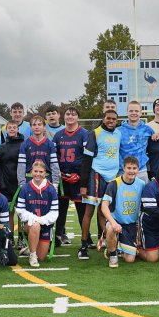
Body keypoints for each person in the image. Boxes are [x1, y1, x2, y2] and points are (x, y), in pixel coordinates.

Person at [78, 110, 122, 260]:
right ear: (103, 119)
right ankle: (83, 245)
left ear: (117, 120)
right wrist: (83, 184)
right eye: (108, 118)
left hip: (112, 177)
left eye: (114, 119)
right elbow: (86, 158)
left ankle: (109, 242)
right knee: (89, 211)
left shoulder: (118, 133)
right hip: (96, 175)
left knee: (104, 212)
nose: (111, 121)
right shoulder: (95, 133)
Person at [53, 106, 89, 247]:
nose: (70, 117)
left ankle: (86, 239)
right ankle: (59, 235)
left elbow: (87, 158)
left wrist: (80, 175)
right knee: (61, 209)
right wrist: (59, 174)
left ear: (78, 117)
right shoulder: (58, 135)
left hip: (78, 178)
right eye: (68, 114)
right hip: (63, 178)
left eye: (73, 115)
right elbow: (54, 157)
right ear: (64, 117)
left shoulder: (84, 134)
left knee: (82, 210)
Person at [101, 157, 146, 268]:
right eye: (129, 168)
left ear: (138, 169)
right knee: (111, 228)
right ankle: (112, 254)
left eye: (134, 168)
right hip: (116, 221)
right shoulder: (114, 184)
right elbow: (104, 206)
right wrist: (113, 222)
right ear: (123, 168)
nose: (131, 171)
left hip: (131, 224)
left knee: (130, 259)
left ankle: (119, 247)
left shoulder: (141, 184)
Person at [16, 161, 59, 267]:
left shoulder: (51, 189)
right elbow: (20, 210)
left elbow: (54, 212)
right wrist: (33, 218)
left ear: (45, 173)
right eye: (35, 171)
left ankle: (30, 248)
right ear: (31, 172)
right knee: (35, 226)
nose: (38, 174)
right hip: (30, 224)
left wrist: (42, 220)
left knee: (42, 257)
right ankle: (32, 255)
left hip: (45, 224)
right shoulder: (25, 188)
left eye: (41, 172)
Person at [0, 121, 24, 239]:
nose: (12, 129)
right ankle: (10, 238)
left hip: (21, 184)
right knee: (9, 212)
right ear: (6, 130)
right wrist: (1, 183)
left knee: (22, 213)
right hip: (6, 185)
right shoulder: (2, 147)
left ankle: (22, 238)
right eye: (9, 127)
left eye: (14, 127)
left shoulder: (24, 144)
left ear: (18, 129)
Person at [17, 115, 61, 188]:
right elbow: (21, 166)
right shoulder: (24, 144)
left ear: (44, 127)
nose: (37, 127)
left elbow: (54, 165)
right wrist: (22, 183)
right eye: (34, 125)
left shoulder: (50, 144)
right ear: (31, 127)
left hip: (46, 179)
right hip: (30, 180)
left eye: (39, 124)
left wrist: (55, 183)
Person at [118, 101, 155, 183]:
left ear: (141, 113)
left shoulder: (147, 129)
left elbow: (157, 138)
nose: (133, 113)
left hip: (141, 170)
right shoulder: (118, 131)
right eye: (131, 111)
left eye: (136, 111)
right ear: (127, 112)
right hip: (123, 170)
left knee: (143, 194)